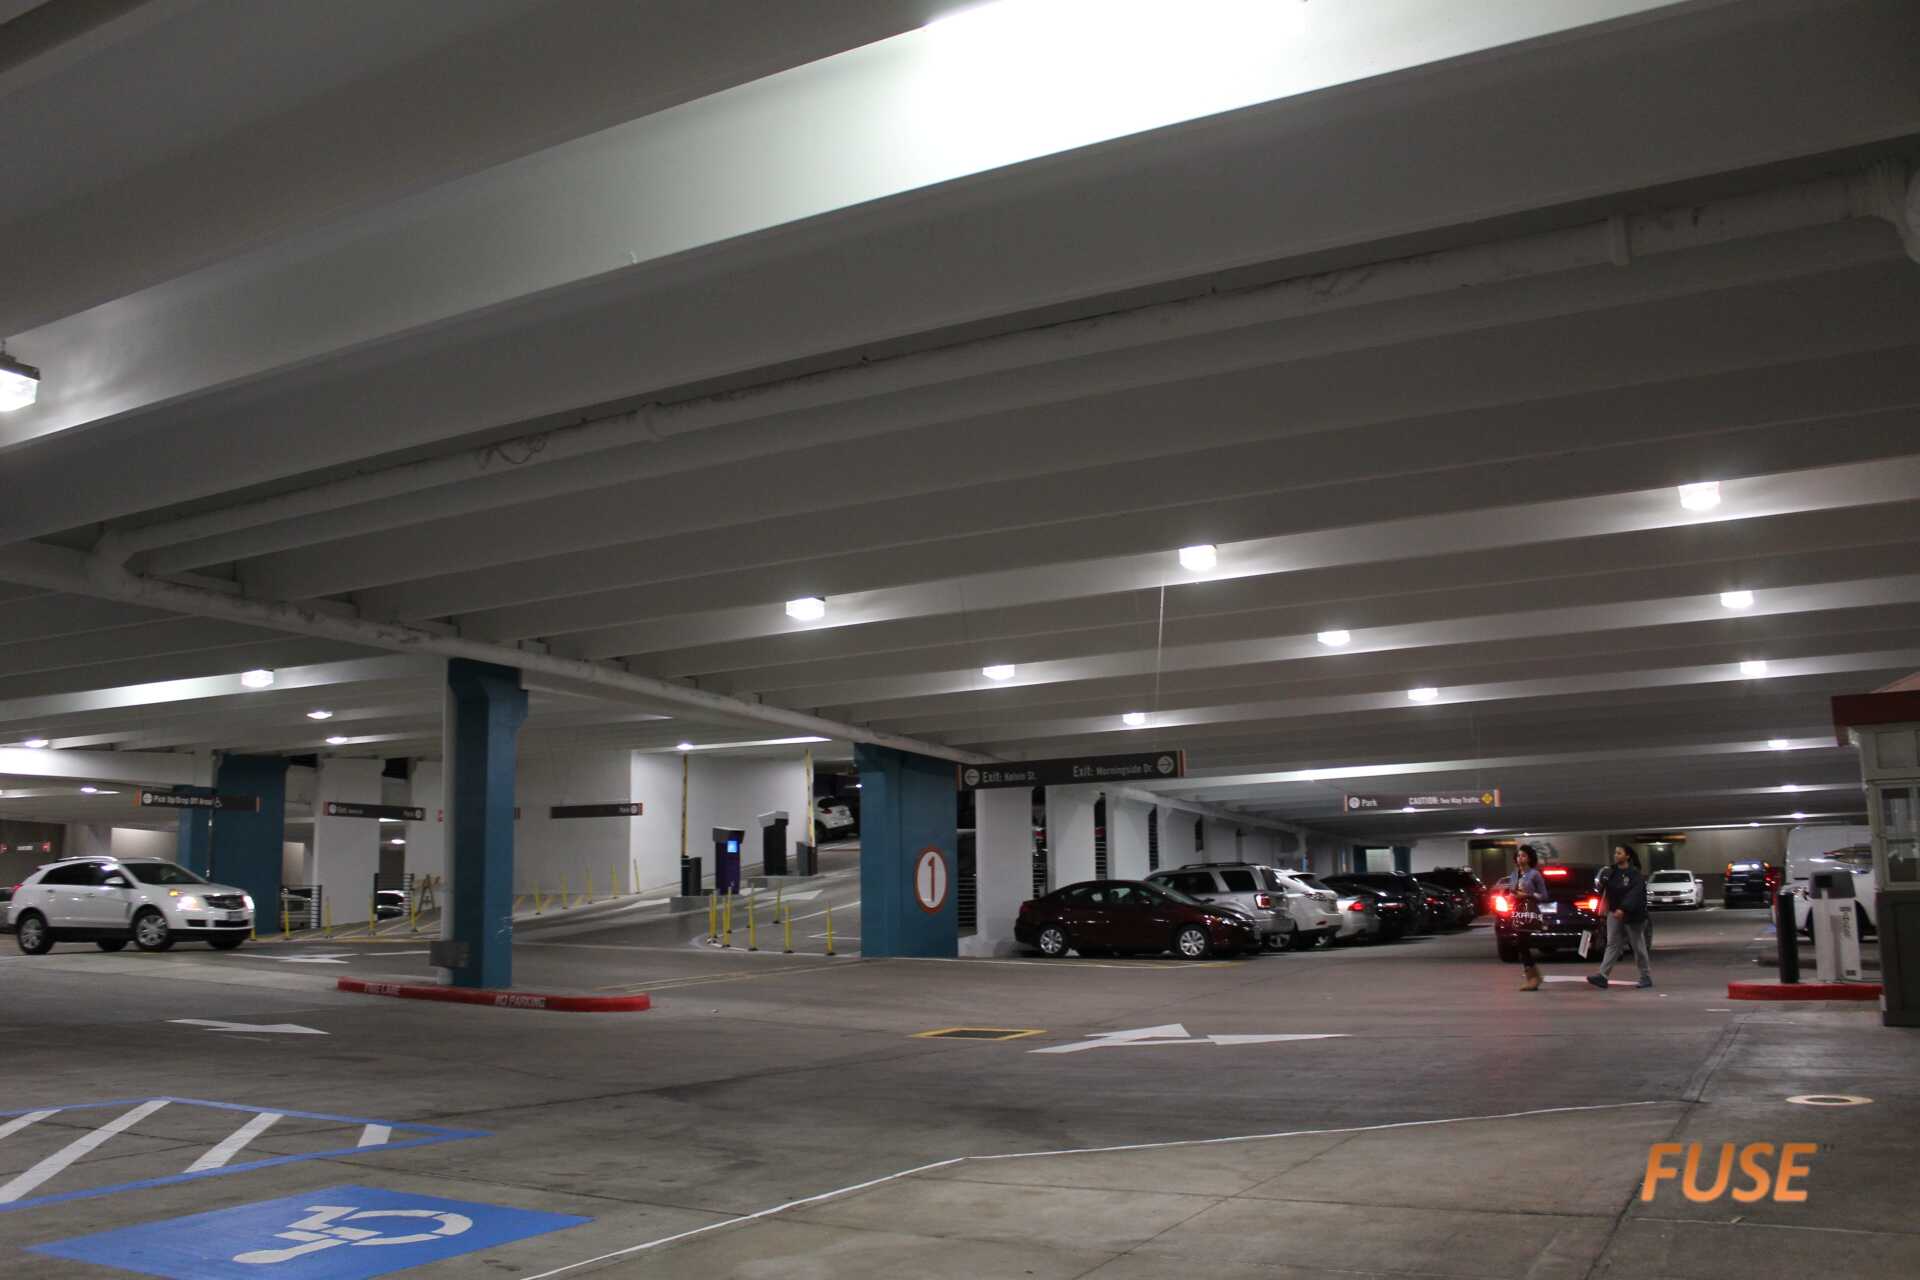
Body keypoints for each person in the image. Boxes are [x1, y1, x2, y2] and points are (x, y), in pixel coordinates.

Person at [1588, 844, 1652, 989]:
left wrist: (1623, 908)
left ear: (1627, 856)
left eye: (1619, 853)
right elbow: (1604, 891)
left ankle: (1645, 976)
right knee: (1612, 944)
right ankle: (1602, 976)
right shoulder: (1611, 872)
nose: (1616, 855)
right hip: (1614, 913)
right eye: (1615, 853)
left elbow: (1634, 894)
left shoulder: (1635, 874)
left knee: (1638, 946)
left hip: (1632, 915)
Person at [1507, 844, 1549, 992]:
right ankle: (1534, 976)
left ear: (1530, 858)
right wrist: (1511, 895)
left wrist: (1528, 895)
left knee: (1522, 943)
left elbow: (1544, 895)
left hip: (1529, 912)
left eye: (1523, 855)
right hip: (1518, 911)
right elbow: (1512, 890)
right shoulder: (1514, 874)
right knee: (1520, 944)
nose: (1520, 858)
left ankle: (1532, 978)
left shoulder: (1535, 874)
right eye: (1518, 855)